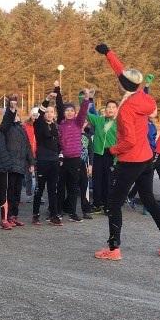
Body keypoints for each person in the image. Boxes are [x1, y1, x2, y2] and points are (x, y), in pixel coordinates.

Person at [94, 43, 160, 261]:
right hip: (146, 158)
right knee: (149, 198)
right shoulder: (143, 96)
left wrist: (113, 149)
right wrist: (108, 53)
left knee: (113, 204)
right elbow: (122, 72)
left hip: (130, 160)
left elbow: (129, 141)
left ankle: (113, 249)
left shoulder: (126, 110)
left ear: (123, 85)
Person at [55, 87, 91, 223]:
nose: (69, 113)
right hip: (63, 160)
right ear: (63, 113)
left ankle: (72, 212)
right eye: (67, 110)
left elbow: (83, 112)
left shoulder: (78, 123)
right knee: (60, 186)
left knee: (73, 187)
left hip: (76, 159)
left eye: (71, 111)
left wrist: (86, 98)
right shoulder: (60, 125)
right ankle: (58, 212)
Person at [32, 83, 63, 226]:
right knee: (40, 188)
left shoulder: (56, 126)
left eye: (52, 112)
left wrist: (60, 155)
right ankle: (36, 214)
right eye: (48, 112)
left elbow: (59, 144)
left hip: (54, 161)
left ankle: (54, 215)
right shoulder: (39, 124)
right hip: (43, 160)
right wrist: (47, 99)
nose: (50, 114)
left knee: (53, 189)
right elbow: (39, 111)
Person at [4, 94, 35, 227]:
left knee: (17, 192)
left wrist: (31, 162)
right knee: (10, 192)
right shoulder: (6, 127)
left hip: (21, 165)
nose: (16, 116)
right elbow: (7, 118)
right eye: (14, 114)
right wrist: (12, 108)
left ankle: (14, 215)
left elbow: (28, 146)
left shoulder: (21, 129)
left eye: (17, 114)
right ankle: (7, 216)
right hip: (10, 165)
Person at [87, 99, 118, 214]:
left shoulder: (119, 123)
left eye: (113, 107)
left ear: (116, 110)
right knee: (97, 180)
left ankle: (108, 206)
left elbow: (121, 141)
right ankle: (97, 205)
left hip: (111, 155)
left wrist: (117, 158)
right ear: (105, 109)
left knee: (108, 182)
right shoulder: (99, 120)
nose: (110, 109)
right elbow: (85, 113)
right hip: (98, 154)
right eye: (108, 107)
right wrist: (85, 98)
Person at [22, 107, 39, 199]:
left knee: (38, 176)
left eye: (37, 115)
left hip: (39, 154)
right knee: (28, 175)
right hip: (28, 154)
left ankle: (37, 194)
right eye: (34, 115)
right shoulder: (25, 126)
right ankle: (29, 194)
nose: (35, 117)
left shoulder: (41, 125)